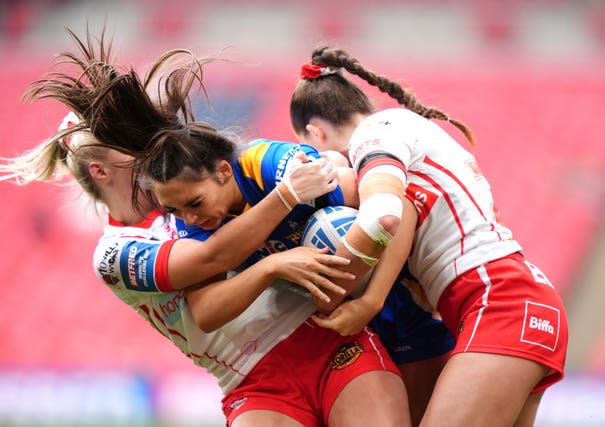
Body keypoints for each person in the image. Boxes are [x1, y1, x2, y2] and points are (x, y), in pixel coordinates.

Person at [0, 32, 412, 426]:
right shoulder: (117, 251)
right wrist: (282, 213)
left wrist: (333, 169)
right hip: (252, 379)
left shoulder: (188, 199)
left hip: (324, 337)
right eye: (128, 146)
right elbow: (211, 263)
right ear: (99, 170)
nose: (147, 148)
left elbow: (312, 180)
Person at [288, 46, 569, 427]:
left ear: (315, 133)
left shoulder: (374, 136)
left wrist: (344, 295)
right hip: (512, 299)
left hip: (497, 301)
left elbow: (383, 214)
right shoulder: (404, 130)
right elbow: (404, 211)